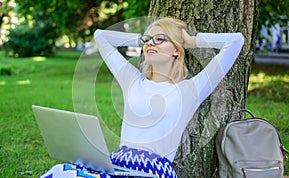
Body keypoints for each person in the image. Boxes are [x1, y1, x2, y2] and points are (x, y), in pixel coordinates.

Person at [41, 17, 244, 178]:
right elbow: (100, 36)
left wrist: (191, 41)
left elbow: (235, 41)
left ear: (176, 50)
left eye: (160, 39)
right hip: (117, 164)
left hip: (154, 172)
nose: (150, 44)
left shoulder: (190, 90)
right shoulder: (132, 81)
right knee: (62, 172)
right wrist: (141, 39)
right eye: (147, 41)